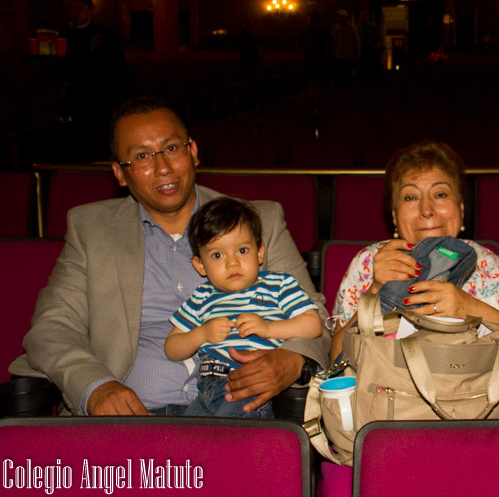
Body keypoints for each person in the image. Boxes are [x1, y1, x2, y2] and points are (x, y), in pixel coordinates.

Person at [9, 96, 330, 416]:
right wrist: (96, 388)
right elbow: (52, 329)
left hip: (238, 417)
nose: (163, 168)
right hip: (132, 421)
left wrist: (292, 361)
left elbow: (315, 316)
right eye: (141, 156)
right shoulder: (92, 230)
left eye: (172, 148)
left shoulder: (256, 222)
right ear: (119, 173)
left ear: (193, 152)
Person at [329, 139, 499, 366]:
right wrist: (376, 290)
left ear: (461, 208)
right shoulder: (369, 263)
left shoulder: (487, 265)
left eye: (440, 194)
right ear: (395, 216)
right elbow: (336, 360)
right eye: (411, 197)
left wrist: (470, 308)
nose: (426, 210)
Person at [165, 197, 323, 418]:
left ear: (259, 252)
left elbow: (313, 324)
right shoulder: (202, 296)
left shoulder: (278, 284)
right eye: (217, 255)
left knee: (230, 435)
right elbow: (172, 348)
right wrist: (201, 334)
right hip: (205, 390)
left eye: (242, 250)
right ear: (200, 265)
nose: (233, 263)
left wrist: (268, 329)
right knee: (185, 435)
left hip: (249, 384)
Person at [60, 0, 130, 163]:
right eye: (71, 9)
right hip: (72, 98)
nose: (75, 13)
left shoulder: (103, 35)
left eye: (80, 8)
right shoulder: (63, 35)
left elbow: (116, 68)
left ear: (90, 10)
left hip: (98, 100)